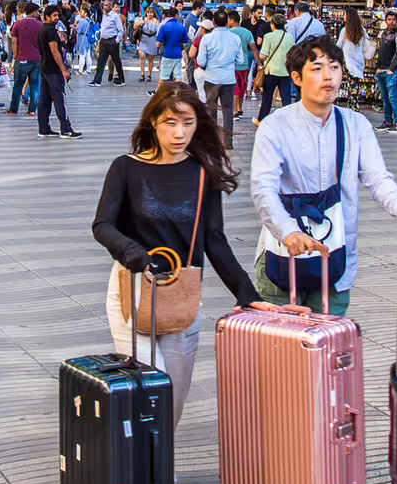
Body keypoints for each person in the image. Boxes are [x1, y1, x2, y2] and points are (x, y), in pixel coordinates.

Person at [94, 82, 296, 428]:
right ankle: (140, 472)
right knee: (147, 388)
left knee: (172, 398)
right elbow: (102, 225)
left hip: (182, 293)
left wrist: (247, 295)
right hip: (134, 290)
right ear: (153, 122)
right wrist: (132, 252)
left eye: (188, 123)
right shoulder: (125, 168)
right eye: (171, 123)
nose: (179, 133)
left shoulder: (202, 173)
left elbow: (214, 240)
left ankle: (157, 468)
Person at [249, 37, 397, 315]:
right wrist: (288, 231)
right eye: (316, 68)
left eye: (335, 67)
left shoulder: (356, 125)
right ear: (297, 77)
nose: (327, 76)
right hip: (282, 257)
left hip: (336, 257)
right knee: (281, 353)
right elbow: (263, 189)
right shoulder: (274, 127)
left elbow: (377, 177)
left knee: (327, 350)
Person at [195, 12, 244, 145]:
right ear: (227, 21)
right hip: (229, 79)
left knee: (211, 109)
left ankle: (212, 141)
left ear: (214, 23)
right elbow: (240, 61)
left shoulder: (207, 39)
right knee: (228, 110)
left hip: (211, 78)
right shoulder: (235, 38)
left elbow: (201, 61)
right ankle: (228, 141)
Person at [37, 4, 82, 138]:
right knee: (59, 98)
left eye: (58, 15)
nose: (57, 18)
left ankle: (43, 128)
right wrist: (63, 69)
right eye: (54, 15)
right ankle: (66, 129)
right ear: (46, 17)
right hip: (53, 70)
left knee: (44, 99)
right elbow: (54, 50)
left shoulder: (43, 30)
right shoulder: (50, 31)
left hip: (45, 68)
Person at [253, 15, 296, 122]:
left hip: (271, 71)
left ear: (273, 25)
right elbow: (293, 54)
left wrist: (258, 59)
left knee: (267, 98)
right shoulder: (290, 37)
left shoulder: (268, 36)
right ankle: (290, 121)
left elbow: (263, 55)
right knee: (286, 98)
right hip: (285, 72)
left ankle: (261, 120)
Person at [6, 1, 45, 115]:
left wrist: (16, 56)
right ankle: (32, 110)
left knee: (18, 85)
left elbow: (14, 42)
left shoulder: (18, 24)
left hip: (22, 59)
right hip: (37, 59)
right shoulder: (41, 25)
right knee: (34, 85)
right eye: (37, 12)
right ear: (33, 13)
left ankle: (13, 109)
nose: (38, 14)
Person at [374, 11, 397, 133]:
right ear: (385, 21)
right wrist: (378, 67)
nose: (391, 22)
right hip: (382, 70)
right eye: (389, 19)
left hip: (393, 71)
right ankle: (388, 121)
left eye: (394, 19)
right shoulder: (383, 34)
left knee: (393, 98)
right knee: (385, 98)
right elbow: (381, 52)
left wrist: (392, 69)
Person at [92, 0, 127, 84]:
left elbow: (121, 30)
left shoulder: (115, 16)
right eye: (104, 5)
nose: (105, 7)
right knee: (101, 62)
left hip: (112, 41)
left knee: (116, 61)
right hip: (103, 41)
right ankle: (97, 80)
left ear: (111, 6)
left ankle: (121, 79)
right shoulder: (103, 15)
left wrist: (116, 40)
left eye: (107, 5)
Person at [158, 6, 191, 83]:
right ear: (176, 15)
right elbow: (185, 41)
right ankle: (177, 94)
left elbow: (159, 42)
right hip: (178, 55)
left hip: (167, 54)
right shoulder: (182, 27)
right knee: (178, 77)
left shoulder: (164, 27)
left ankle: (159, 93)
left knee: (163, 77)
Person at [337, 8, 367, 80]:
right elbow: (366, 43)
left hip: (349, 64)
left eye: (345, 14)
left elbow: (338, 45)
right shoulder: (361, 29)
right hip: (360, 62)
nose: (343, 16)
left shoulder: (345, 30)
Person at [136, 5, 161, 83]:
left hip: (152, 40)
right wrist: (140, 23)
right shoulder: (142, 19)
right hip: (142, 39)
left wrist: (158, 42)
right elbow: (135, 27)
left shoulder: (156, 21)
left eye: (151, 13)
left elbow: (158, 32)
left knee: (150, 59)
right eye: (148, 13)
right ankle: (142, 74)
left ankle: (149, 75)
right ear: (146, 13)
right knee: (142, 56)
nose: (150, 14)